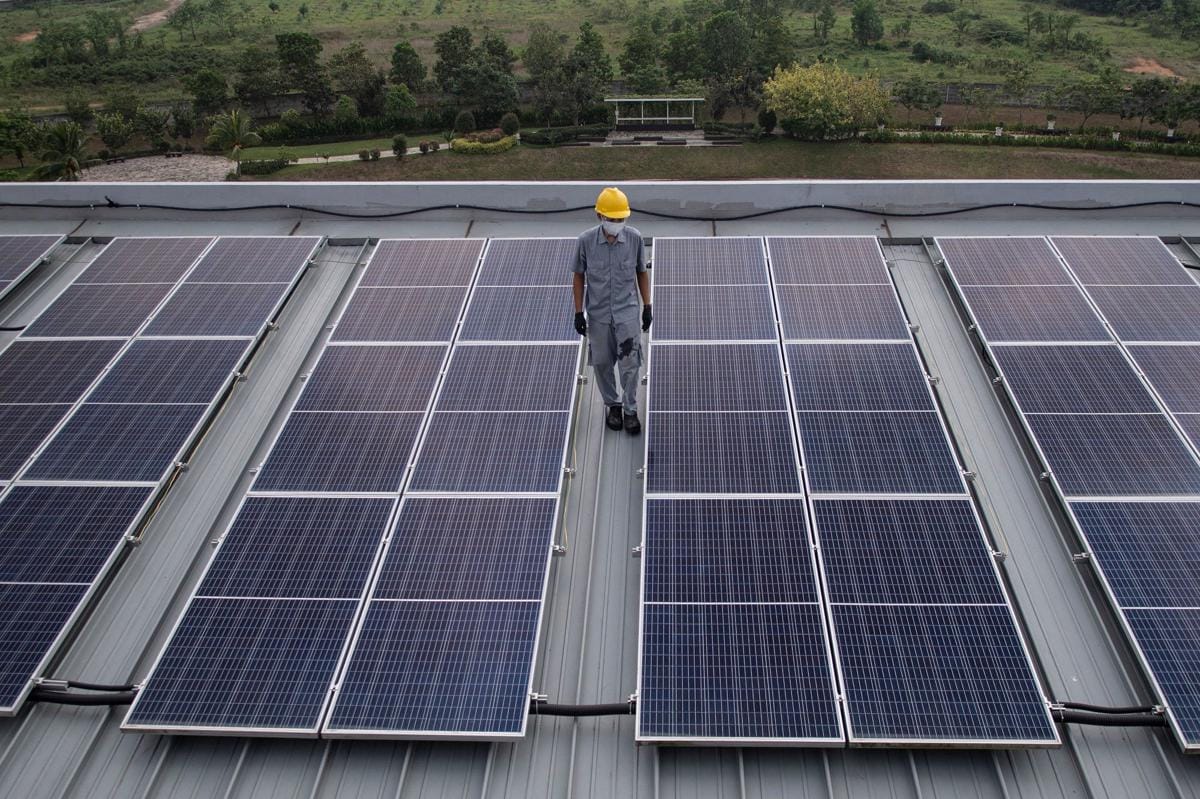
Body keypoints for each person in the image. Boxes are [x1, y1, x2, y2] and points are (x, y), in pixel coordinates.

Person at [571, 186, 652, 435]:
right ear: (600, 217)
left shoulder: (635, 238)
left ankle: (629, 409)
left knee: (630, 364)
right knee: (603, 363)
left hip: (627, 314)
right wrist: (577, 312)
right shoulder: (585, 241)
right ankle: (612, 405)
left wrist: (647, 306)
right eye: (612, 219)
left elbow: (641, 272)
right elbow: (578, 276)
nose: (617, 223)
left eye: (621, 219)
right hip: (598, 317)